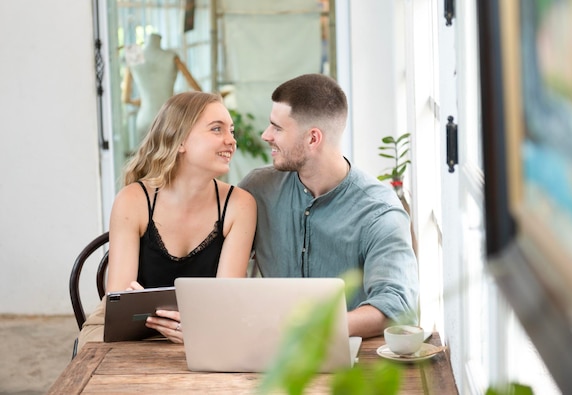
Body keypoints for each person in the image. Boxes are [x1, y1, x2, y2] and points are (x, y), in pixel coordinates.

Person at [238, 73, 419, 339]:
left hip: (349, 362)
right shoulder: (258, 190)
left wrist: (312, 331)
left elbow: (397, 305)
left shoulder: (379, 212)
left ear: (313, 139)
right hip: (267, 352)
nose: (266, 135)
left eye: (277, 128)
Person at [77, 91, 257, 351]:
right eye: (216, 130)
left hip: (205, 328)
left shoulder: (239, 205)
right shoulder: (134, 200)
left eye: (231, 130)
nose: (231, 140)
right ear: (180, 140)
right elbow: (119, 302)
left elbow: (226, 301)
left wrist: (197, 329)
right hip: (131, 330)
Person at [122, 33, 202, 144]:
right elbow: (197, 90)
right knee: (169, 158)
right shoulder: (172, 56)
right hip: (167, 118)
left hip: (144, 119)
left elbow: (125, 99)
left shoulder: (133, 55)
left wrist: (147, 101)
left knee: (146, 159)